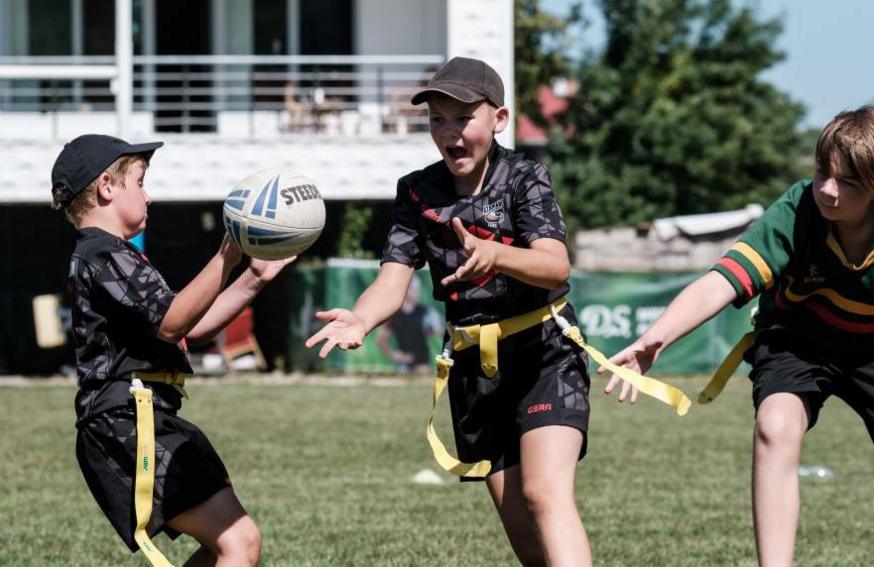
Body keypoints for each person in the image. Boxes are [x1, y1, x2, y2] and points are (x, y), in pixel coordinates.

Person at [607, 107, 874, 566]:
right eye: (823, 171)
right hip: (797, 342)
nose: (827, 188)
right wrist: (656, 339)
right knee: (775, 427)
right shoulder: (797, 209)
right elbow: (721, 281)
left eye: (847, 181)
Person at [306, 57, 595, 565]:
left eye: (463, 118)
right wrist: (362, 318)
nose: (449, 131)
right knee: (523, 533)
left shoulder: (526, 177)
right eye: (437, 119)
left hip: (544, 356)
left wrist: (497, 254)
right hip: (475, 372)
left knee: (543, 495)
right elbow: (391, 280)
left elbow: (555, 268)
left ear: (499, 119)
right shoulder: (417, 192)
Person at [52, 134, 293, 566]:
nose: (149, 195)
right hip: (125, 421)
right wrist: (226, 255)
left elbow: (190, 328)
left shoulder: (114, 256)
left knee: (225, 543)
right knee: (240, 542)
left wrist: (254, 278)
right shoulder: (102, 254)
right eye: (140, 183)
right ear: (107, 186)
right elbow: (173, 320)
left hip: (145, 415)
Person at [375, 275, 440, 373]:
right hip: (403, 364)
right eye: (412, 288)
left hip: (422, 362)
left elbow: (437, 330)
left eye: (416, 289)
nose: (415, 292)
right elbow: (381, 341)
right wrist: (395, 356)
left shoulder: (425, 312)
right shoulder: (393, 314)